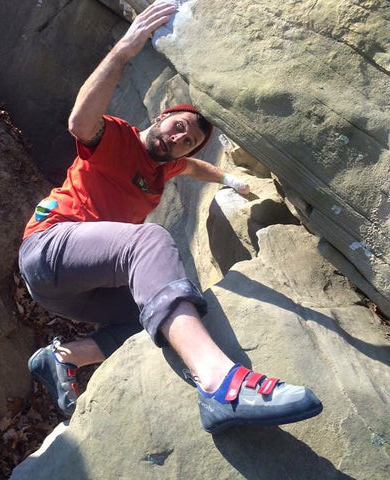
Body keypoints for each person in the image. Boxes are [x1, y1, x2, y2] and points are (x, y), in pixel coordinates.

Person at [19, 1, 322, 434]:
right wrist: (124, 50)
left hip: (70, 294)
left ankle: (65, 357)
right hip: (50, 245)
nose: (180, 139)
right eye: (179, 126)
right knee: (151, 241)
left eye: (189, 141)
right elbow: (80, 122)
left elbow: (196, 167)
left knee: (165, 306)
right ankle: (221, 385)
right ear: (162, 117)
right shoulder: (115, 137)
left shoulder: (166, 168)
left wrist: (231, 182)